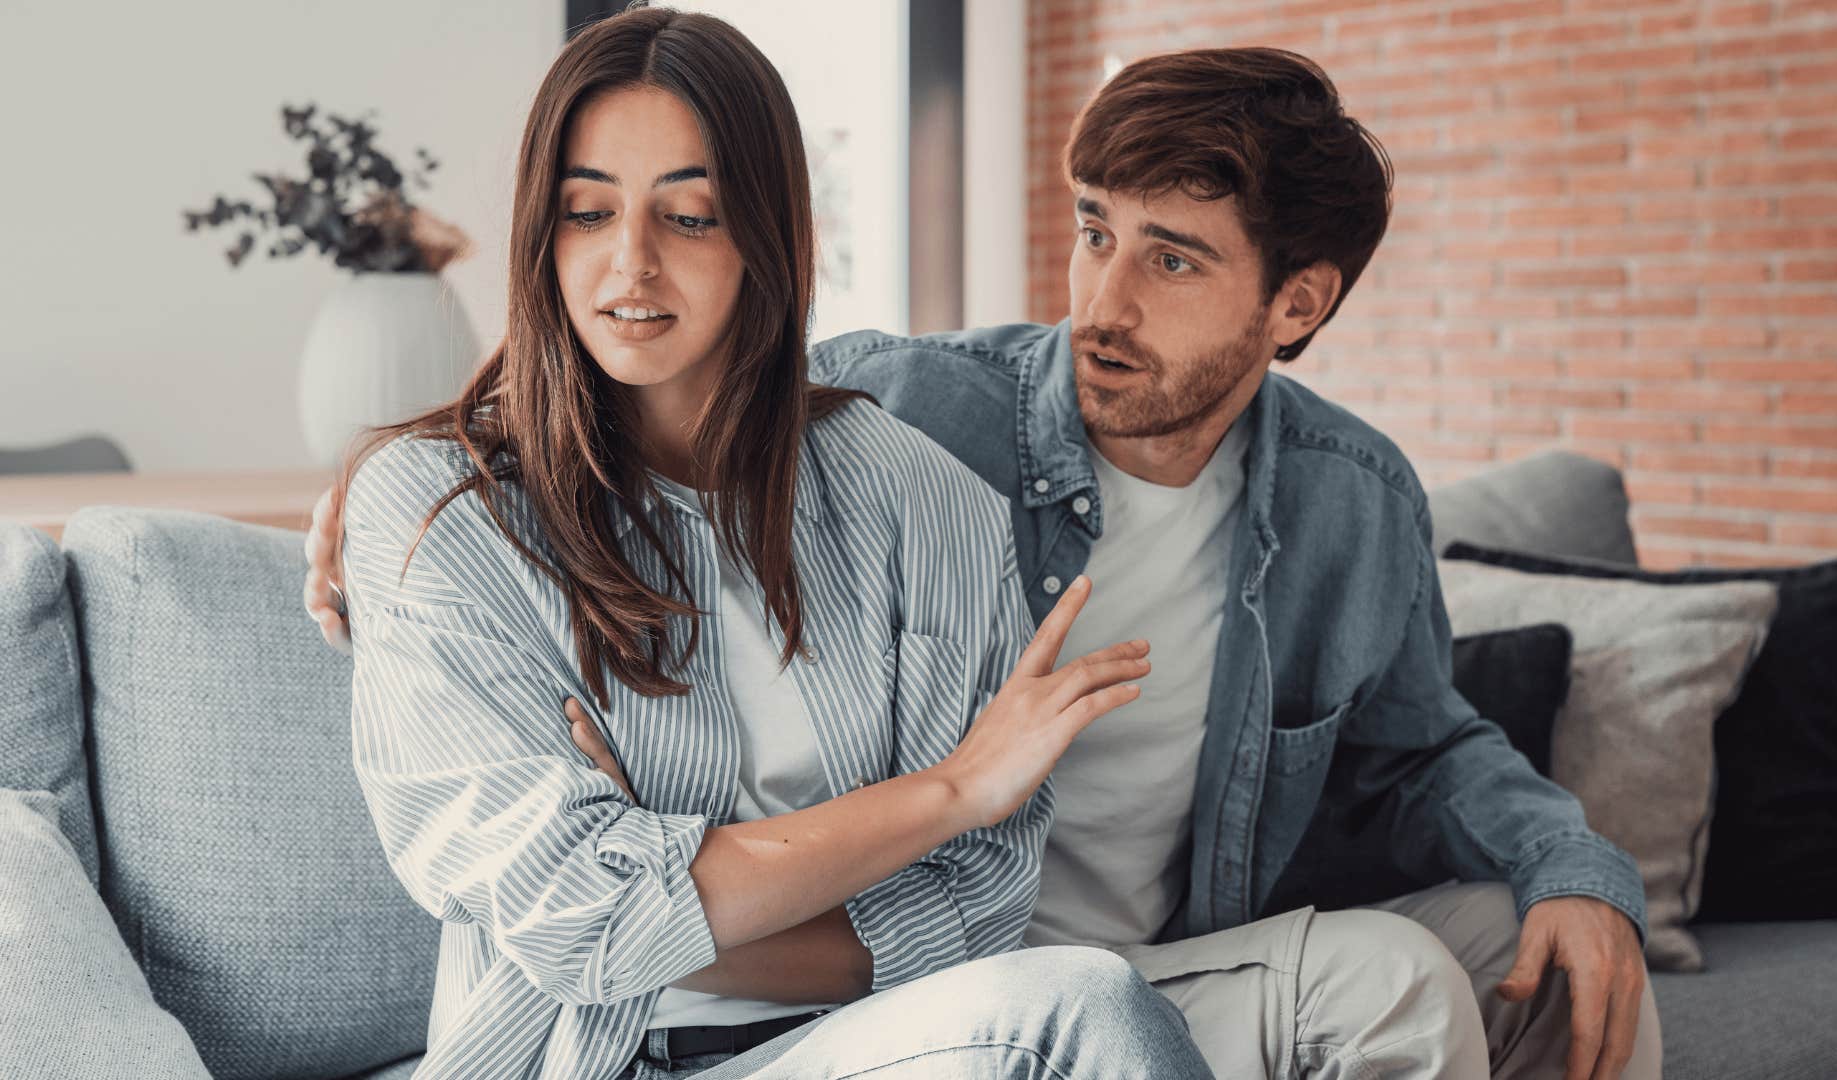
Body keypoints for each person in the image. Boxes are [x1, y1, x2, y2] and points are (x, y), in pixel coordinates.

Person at [313, 39, 1662, 1080]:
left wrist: (1580, 872)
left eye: (1173, 260)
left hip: (1097, 959)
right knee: (1138, 1000)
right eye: (1092, 231)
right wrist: (397, 493)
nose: (1102, 304)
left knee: (1551, 966)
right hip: (921, 994)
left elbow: (1427, 749)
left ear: (1294, 302)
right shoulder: (928, 413)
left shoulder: (1337, 503)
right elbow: (663, 382)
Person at [326, 8, 1212, 1079]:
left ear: (765, 232)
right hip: (585, 1060)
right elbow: (576, 919)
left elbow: (975, 904)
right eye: (587, 213)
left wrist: (673, 890)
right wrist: (947, 793)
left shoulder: (922, 501)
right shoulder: (440, 513)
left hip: (882, 1045)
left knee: (1087, 1003)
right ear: (538, 232)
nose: (631, 265)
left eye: (689, 217)